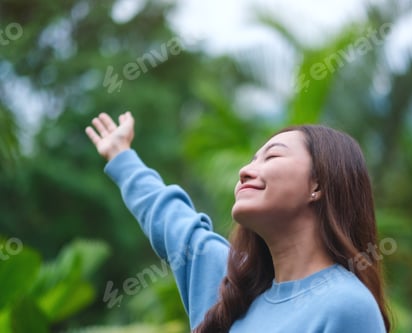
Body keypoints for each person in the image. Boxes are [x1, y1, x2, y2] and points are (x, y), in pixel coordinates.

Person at [86, 111, 391, 332]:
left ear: (318, 185)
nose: (245, 170)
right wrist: (120, 154)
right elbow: (168, 217)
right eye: (251, 160)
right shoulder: (228, 285)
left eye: (271, 157)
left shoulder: (347, 307)